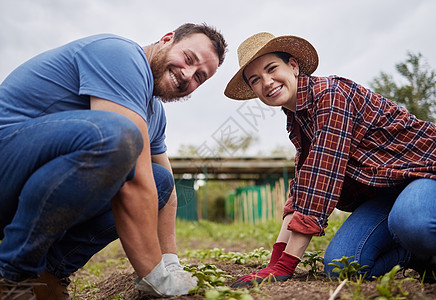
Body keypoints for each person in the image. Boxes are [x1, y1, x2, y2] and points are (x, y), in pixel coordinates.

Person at [0, 23, 227, 299]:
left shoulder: (154, 114)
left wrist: (171, 261)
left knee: (162, 181)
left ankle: (50, 272)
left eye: (199, 77)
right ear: (167, 39)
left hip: (32, 184)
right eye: (189, 59)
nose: (187, 74)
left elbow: (164, 191)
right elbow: (135, 179)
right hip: (8, 160)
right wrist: (155, 274)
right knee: (118, 136)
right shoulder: (122, 56)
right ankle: (12, 273)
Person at [224, 32, 436, 287]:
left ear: (293, 66)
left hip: (423, 172)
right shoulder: (298, 119)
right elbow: (303, 187)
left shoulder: (330, 95)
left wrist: (286, 265)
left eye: (271, 69)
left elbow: (321, 181)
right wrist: (275, 261)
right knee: (343, 265)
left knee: (414, 224)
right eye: (256, 80)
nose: (267, 82)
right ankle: (420, 257)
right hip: (387, 191)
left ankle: (421, 239)